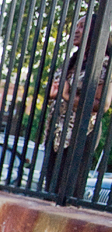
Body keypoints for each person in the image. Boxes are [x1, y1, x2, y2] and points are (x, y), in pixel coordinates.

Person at [43, 14, 112, 188]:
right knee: (50, 188)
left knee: (68, 190)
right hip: (57, 131)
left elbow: (101, 105)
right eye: (76, 25)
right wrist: (54, 94)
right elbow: (59, 89)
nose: (76, 30)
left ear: (94, 32)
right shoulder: (72, 62)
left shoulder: (103, 64)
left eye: (82, 26)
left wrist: (67, 96)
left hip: (81, 132)